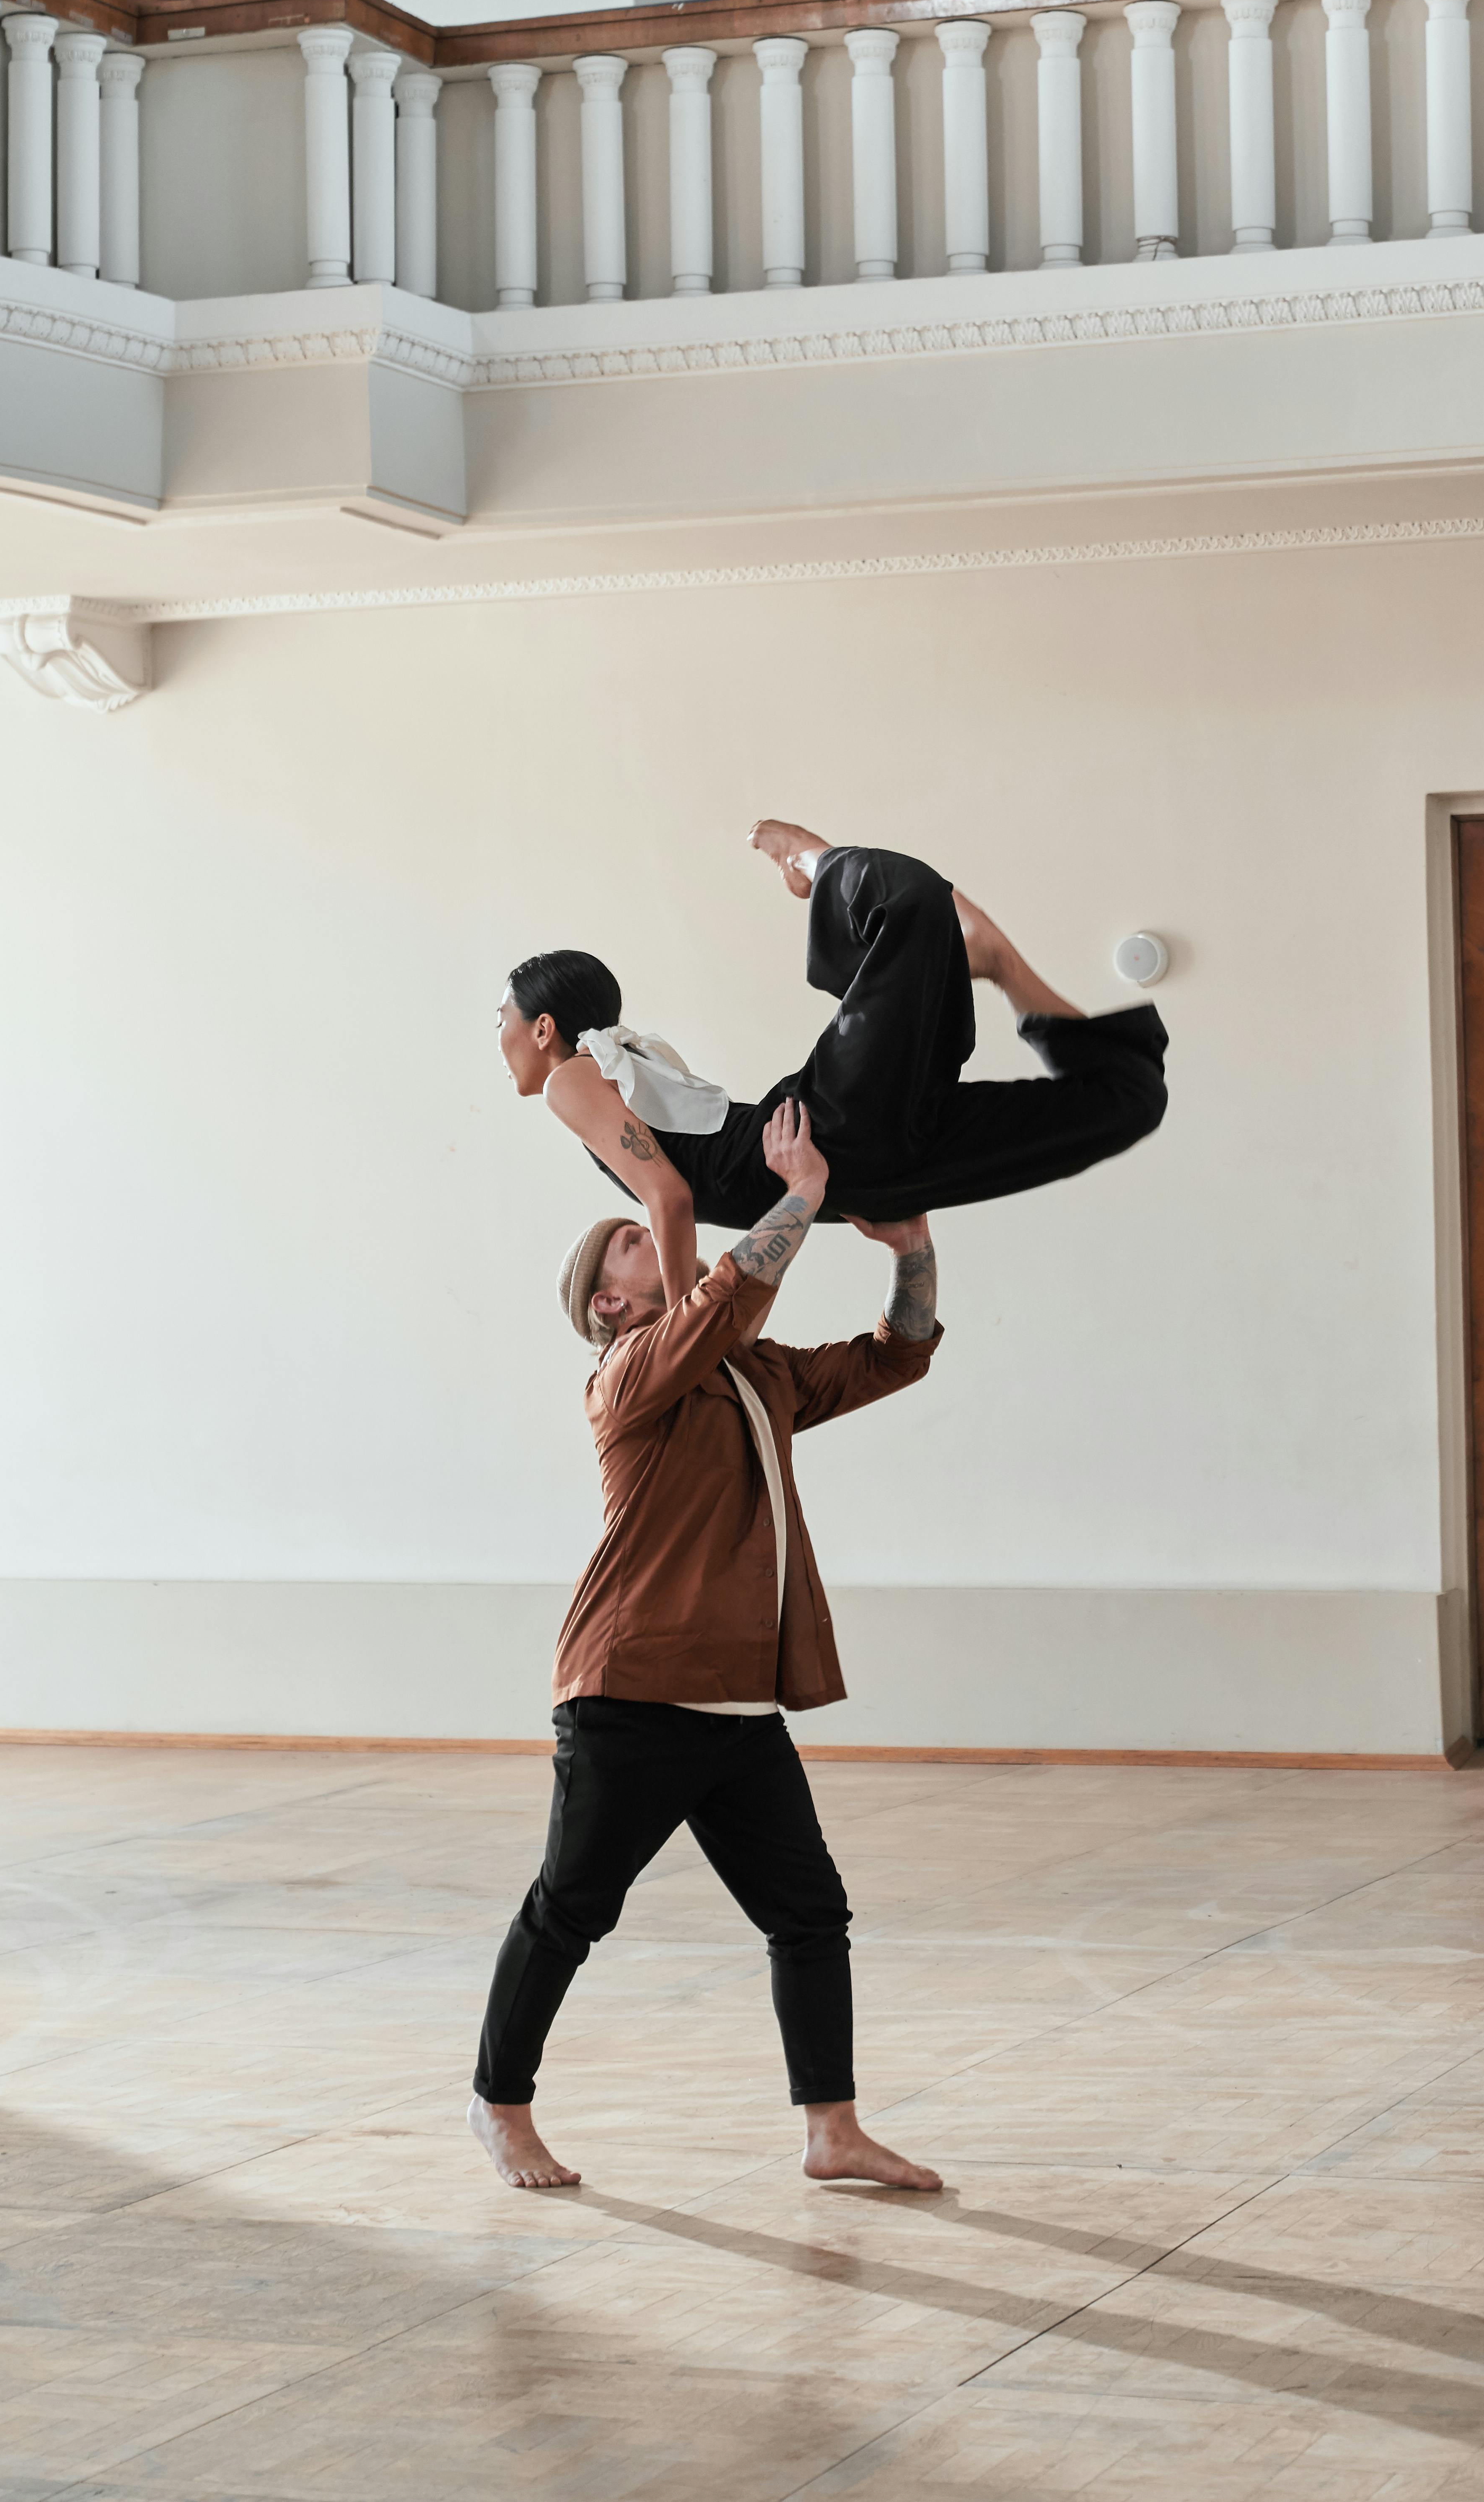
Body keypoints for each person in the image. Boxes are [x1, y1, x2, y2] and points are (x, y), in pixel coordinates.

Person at [469, 1096, 943, 2194]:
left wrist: (911, 1253)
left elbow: (893, 1359)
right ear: (610, 1301)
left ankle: (832, 2130)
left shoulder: (755, 1376)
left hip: (735, 1708)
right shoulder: (627, 1378)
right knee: (569, 1910)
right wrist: (799, 1197)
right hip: (630, 1694)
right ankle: (499, 2108)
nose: (660, 1234)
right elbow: (724, 1295)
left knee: (808, 1914)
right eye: (637, 1238)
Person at [496, 824, 1168, 1318]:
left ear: (544, 1028)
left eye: (503, 1019)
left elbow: (667, 1199)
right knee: (1127, 1102)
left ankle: (810, 862)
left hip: (829, 1131)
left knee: (909, 902)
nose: (500, 1037)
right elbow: (674, 1192)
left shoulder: (570, 1079)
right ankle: (999, 967)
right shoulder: (598, 1076)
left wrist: (685, 1326)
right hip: (858, 1179)